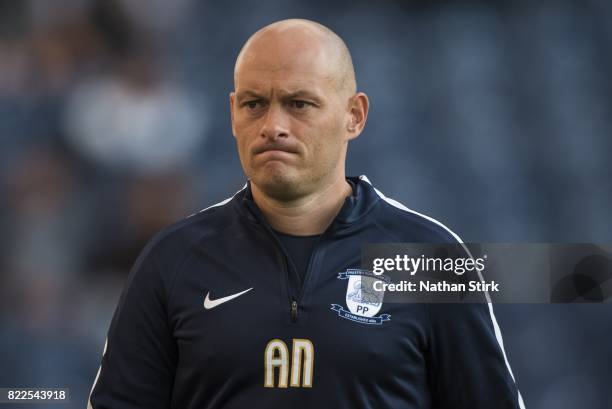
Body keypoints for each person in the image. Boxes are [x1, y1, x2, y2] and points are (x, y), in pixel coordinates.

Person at [88, 18, 525, 409]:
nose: (273, 125)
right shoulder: (173, 259)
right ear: (233, 114)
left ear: (354, 116)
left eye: (299, 104)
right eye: (254, 104)